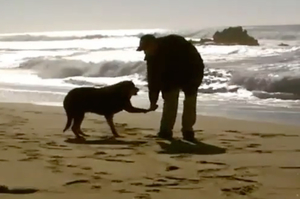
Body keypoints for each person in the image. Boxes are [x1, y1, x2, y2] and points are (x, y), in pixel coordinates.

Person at [137, 34, 205, 142]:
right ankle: (165, 131)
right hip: (170, 77)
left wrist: (195, 81)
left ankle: (188, 131)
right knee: (170, 101)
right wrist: (153, 101)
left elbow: (196, 62)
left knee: (190, 102)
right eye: (143, 50)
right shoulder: (152, 56)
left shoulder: (176, 43)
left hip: (192, 72)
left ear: (153, 44)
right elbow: (153, 80)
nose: (145, 52)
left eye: (146, 49)